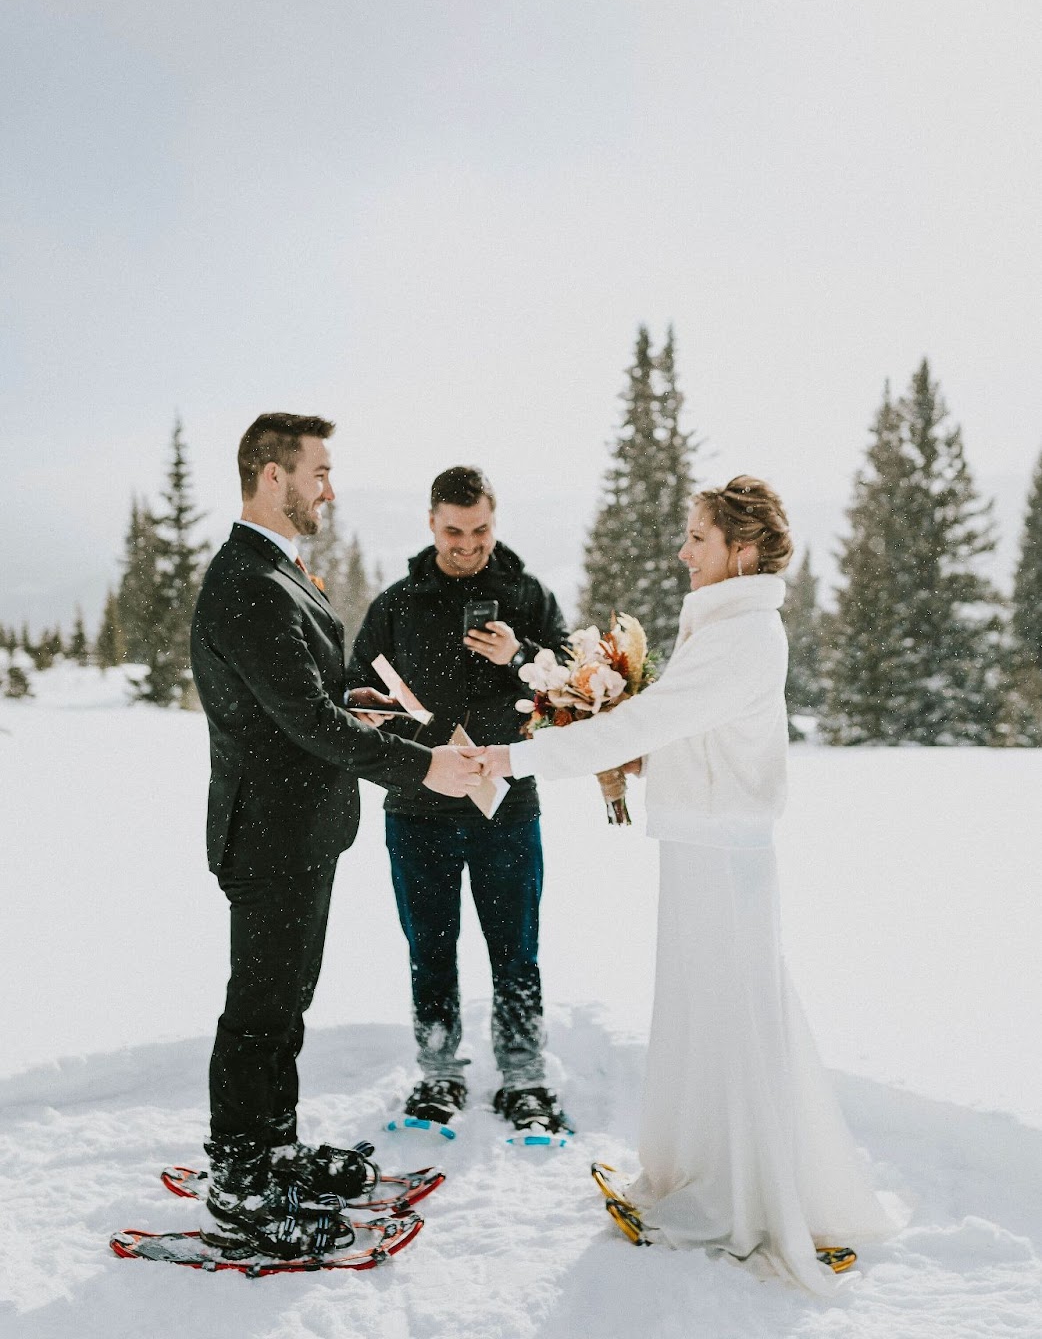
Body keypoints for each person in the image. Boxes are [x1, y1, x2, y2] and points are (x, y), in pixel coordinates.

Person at [478, 477, 901, 1293]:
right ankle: (707, 1173)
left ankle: (739, 1201)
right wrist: (638, 755)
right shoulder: (724, 625)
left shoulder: (743, 633)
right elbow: (683, 731)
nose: (683, 551)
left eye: (697, 538)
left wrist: (513, 759)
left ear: (741, 551)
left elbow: (649, 719)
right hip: (701, 846)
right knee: (711, 1016)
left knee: (735, 1020)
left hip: (723, 856)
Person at [190, 414, 481, 1259]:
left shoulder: (274, 572)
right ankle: (239, 1182)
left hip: (301, 827)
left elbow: (303, 703)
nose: (330, 487)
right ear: (272, 476)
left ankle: (273, 1150)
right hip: (270, 832)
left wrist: (357, 705)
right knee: (261, 1008)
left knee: (287, 1003)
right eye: (319, 471)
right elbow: (305, 721)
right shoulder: (246, 579)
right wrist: (421, 763)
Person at [346, 465, 572, 1135]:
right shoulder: (394, 604)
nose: (468, 544)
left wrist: (521, 652)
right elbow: (356, 687)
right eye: (454, 531)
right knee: (430, 946)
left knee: (515, 946)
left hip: (507, 804)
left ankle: (524, 1076)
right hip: (419, 807)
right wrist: (366, 707)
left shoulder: (528, 594)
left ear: (494, 521)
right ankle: (439, 1072)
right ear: (430, 523)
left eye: (479, 530)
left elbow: (574, 691)